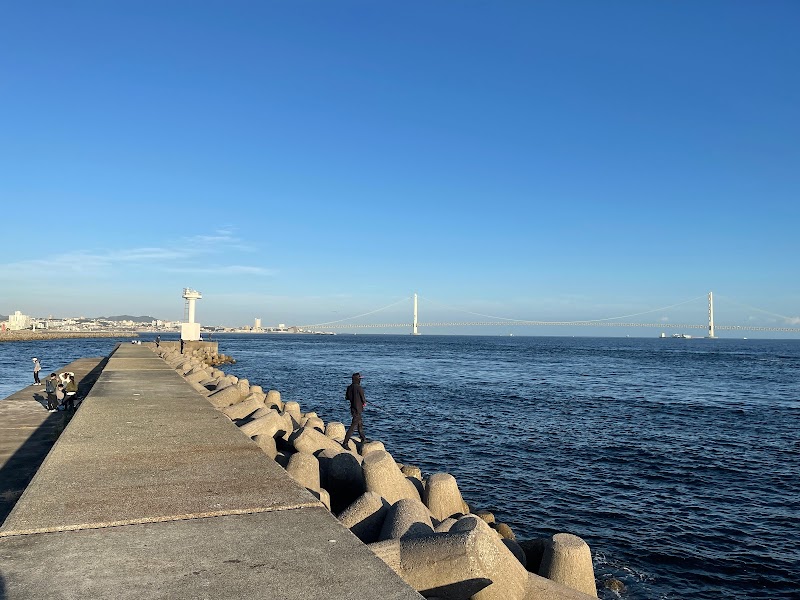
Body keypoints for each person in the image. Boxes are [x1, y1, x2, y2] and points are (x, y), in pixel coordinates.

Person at [342, 372, 367, 448]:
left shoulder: (349, 387)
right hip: (358, 409)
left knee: (360, 424)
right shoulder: (359, 388)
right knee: (353, 427)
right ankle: (345, 442)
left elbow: (347, 398)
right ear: (358, 379)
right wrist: (364, 403)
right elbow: (363, 399)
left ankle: (363, 438)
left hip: (353, 408)